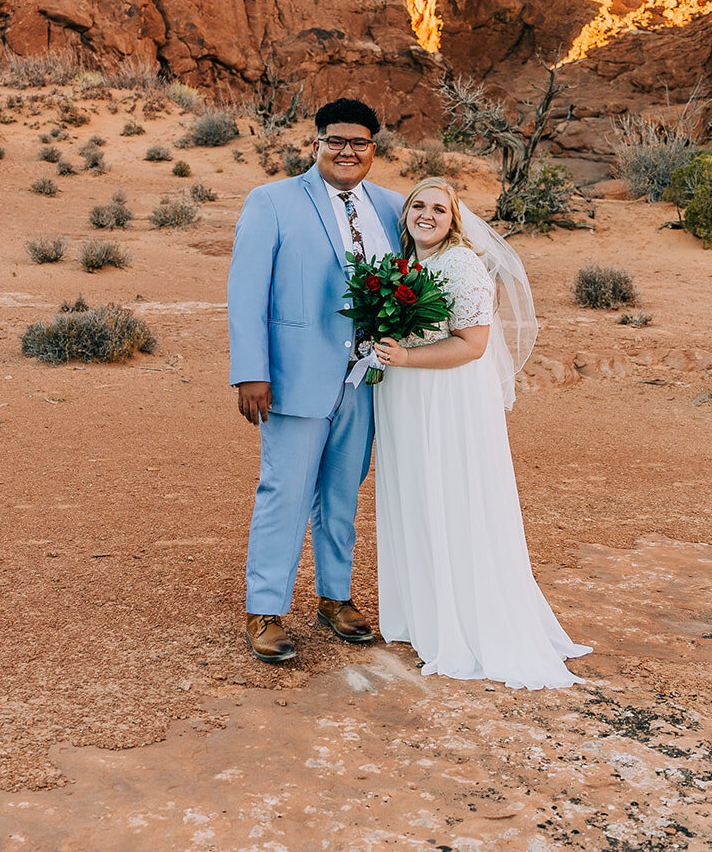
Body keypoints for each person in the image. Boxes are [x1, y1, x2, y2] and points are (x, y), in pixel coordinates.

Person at [372, 176, 592, 689]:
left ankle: (466, 623)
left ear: (455, 220)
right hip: (407, 397)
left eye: (440, 210)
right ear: (406, 213)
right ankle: (427, 617)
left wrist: (405, 355)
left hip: (445, 400)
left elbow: (472, 346)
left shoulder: (463, 265)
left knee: (453, 498)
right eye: (419, 206)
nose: (427, 215)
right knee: (419, 497)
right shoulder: (408, 266)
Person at [228, 97, 404, 664]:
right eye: (336, 141)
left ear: (373, 150)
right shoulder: (273, 201)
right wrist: (251, 372)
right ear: (317, 144)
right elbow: (246, 291)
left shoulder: (394, 208)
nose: (347, 151)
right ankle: (265, 609)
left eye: (359, 143)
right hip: (294, 378)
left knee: (342, 493)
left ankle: (335, 597)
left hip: (368, 380)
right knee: (285, 489)